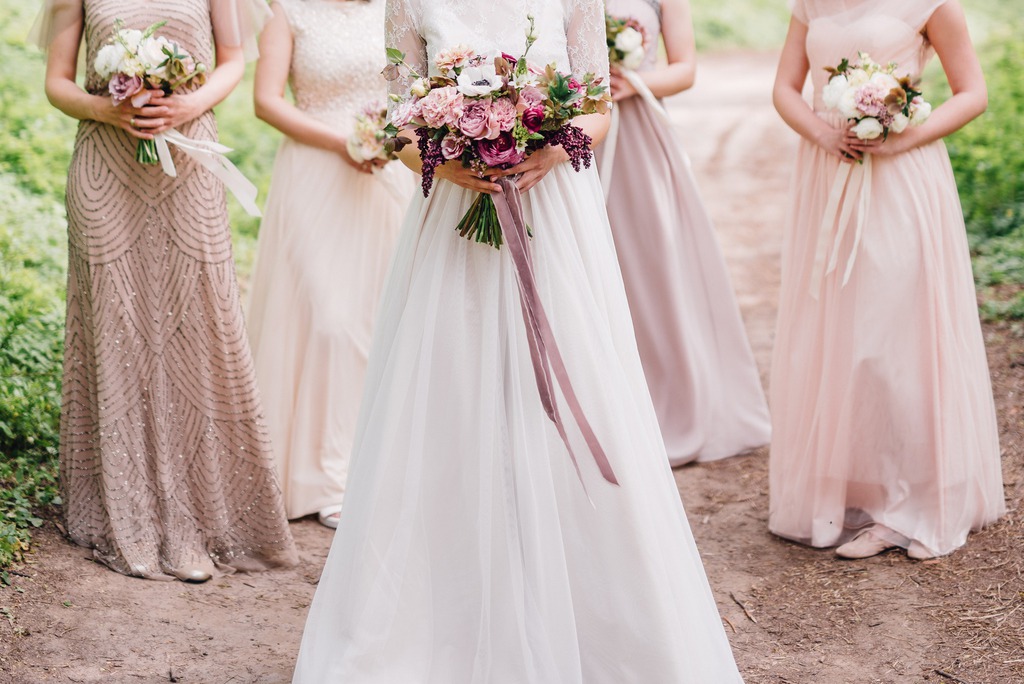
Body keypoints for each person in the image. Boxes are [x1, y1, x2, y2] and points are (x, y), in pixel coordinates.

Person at [290, 0, 744, 681]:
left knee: (570, 381)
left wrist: (552, 149)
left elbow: (597, 106)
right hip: (452, 218)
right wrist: (448, 164)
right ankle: (448, 610)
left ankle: (590, 607)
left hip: (555, 214)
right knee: (454, 387)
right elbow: (399, 120)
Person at [32, 0, 297, 581]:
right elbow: (57, 81)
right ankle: (124, 508)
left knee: (198, 326)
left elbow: (233, 60)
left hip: (190, 163)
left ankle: (198, 516)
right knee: (117, 329)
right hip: (105, 169)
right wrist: (106, 108)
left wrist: (187, 104)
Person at [769, 0, 1005, 560]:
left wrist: (901, 138)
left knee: (892, 336)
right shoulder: (809, 3)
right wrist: (823, 134)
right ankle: (856, 492)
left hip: (900, 174)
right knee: (837, 335)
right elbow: (784, 88)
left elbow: (972, 93)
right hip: (829, 171)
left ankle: (911, 503)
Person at [247, 0, 410, 529]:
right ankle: (327, 476)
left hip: (389, 174)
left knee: (381, 317)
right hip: (316, 171)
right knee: (330, 321)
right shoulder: (286, 10)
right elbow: (267, 102)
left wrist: (394, 141)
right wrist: (343, 143)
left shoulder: (394, 8)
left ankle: (380, 467)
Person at [599, 0, 771, 465]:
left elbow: (685, 69)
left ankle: (673, 403)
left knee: (654, 266)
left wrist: (631, 83)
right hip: (577, 135)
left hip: (640, 135)